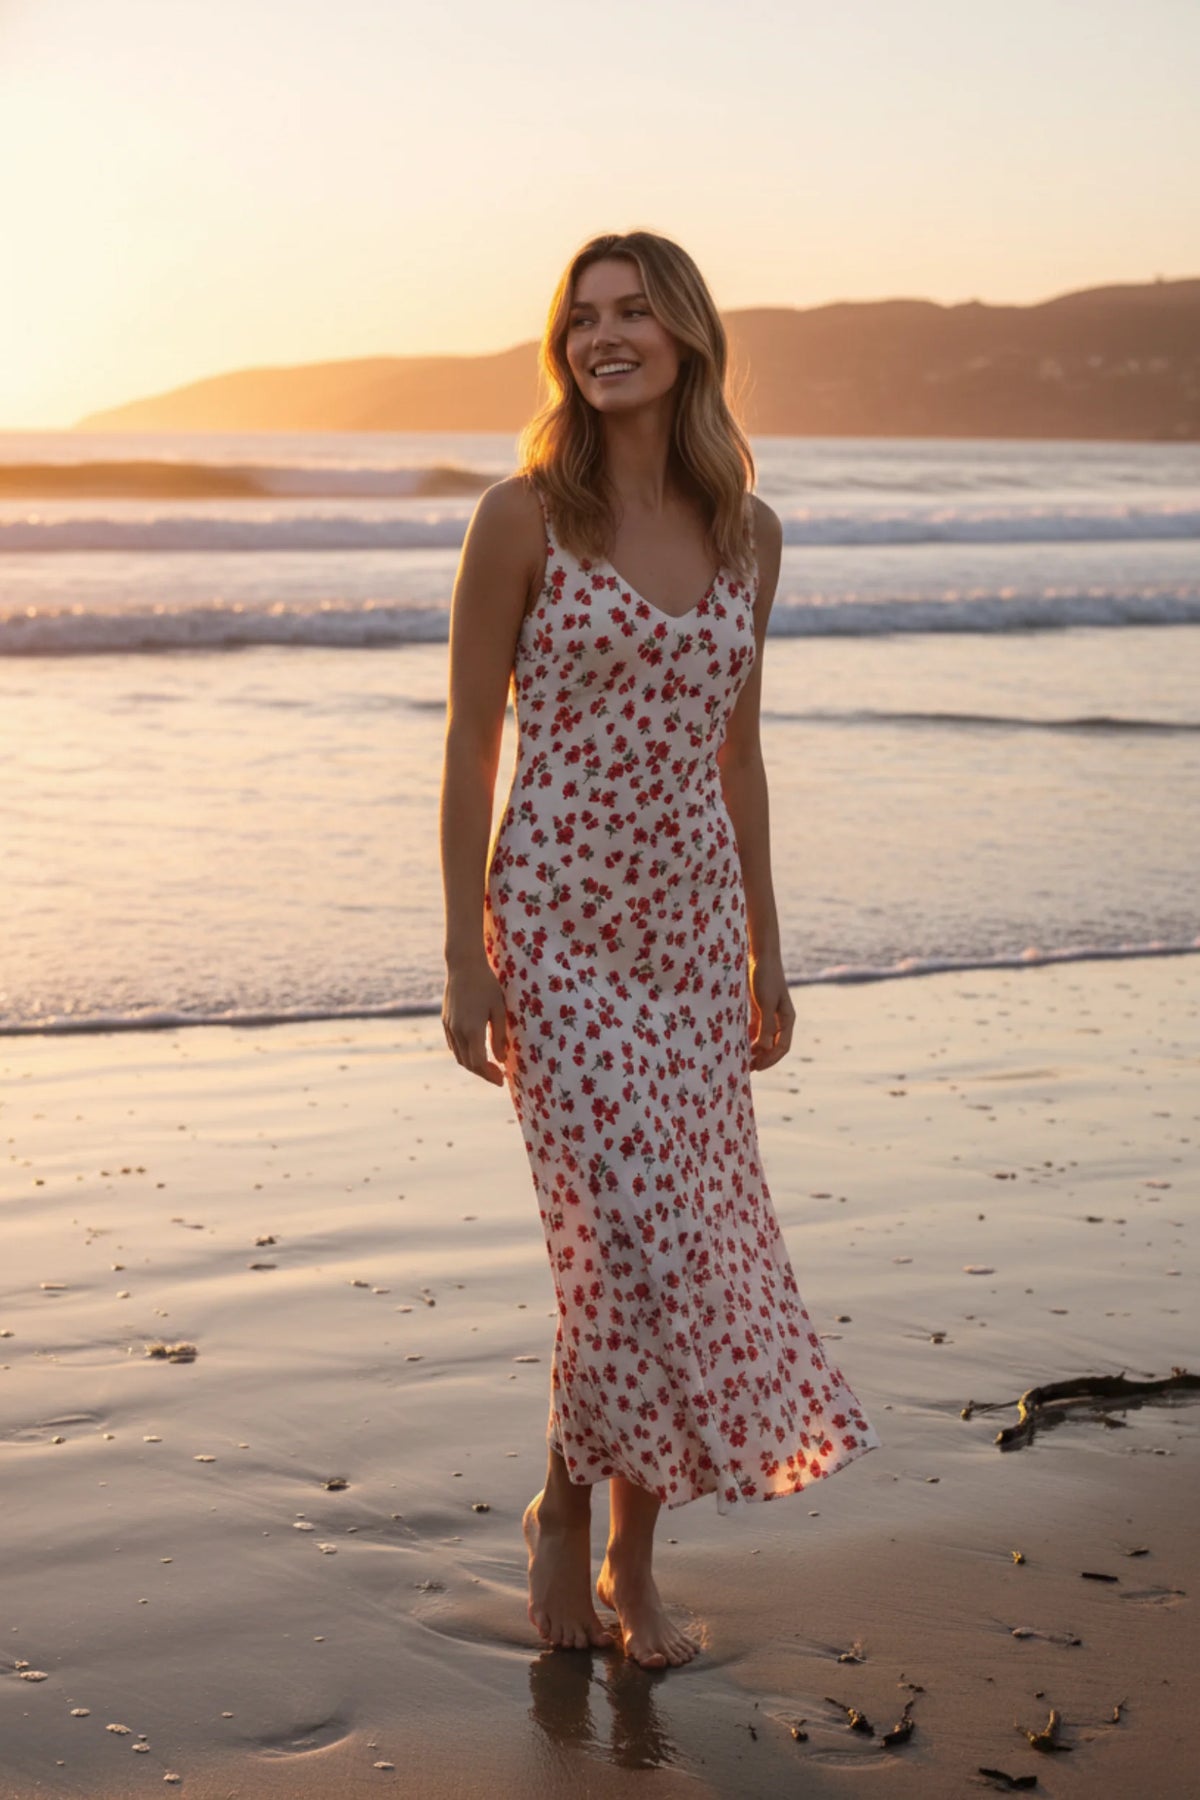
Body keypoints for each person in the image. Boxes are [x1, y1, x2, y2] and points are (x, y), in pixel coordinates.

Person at [440, 229, 879, 1670]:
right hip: (555, 932)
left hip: (689, 939)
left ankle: (616, 1542)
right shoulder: (521, 518)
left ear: (688, 335)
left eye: (633, 311)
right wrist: (463, 952)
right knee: (618, 1240)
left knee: (680, 1245)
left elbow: (739, 755)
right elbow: (471, 742)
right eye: (582, 317)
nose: (604, 336)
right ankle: (574, 1523)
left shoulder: (752, 533)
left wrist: (768, 950)